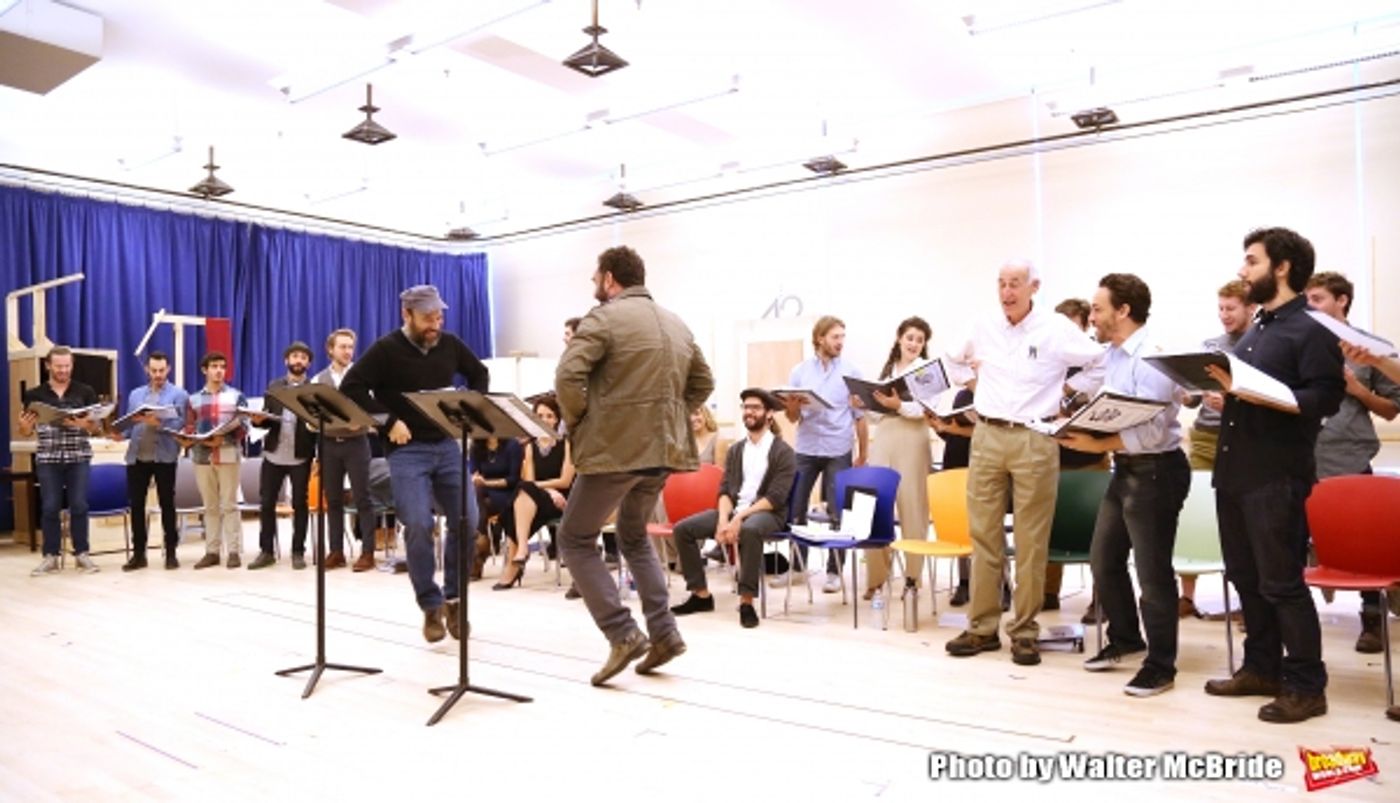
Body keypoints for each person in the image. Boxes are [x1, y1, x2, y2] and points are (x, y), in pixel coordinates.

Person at [554, 245, 715, 686]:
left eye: (595, 280)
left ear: (609, 279)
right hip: (661, 452)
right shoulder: (676, 323)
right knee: (633, 536)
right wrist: (669, 415)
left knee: (575, 537)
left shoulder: (602, 318)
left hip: (616, 450)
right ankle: (664, 633)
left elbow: (568, 378)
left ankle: (622, 633)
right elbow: (704, 382)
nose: (594, 288)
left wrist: (582, 421)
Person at [1203, 227, 1344, 724]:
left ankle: (1307, 686)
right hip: (1235, 471)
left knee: (1282, 583)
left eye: (1251, 261)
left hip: (1276, 476)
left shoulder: (1313, 328)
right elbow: (1250, 390)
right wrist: (1226, 394)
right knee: (1246, 579)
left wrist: (1265, 397)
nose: (1243, 271)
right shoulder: (1257, 328)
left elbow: (1324, 398)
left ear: (1281, 268)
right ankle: (1261, 668)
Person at [943, 259, 1103, 667]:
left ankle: (1025, 632)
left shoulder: (1055, 329)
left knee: (1032, 540)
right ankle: (982, 627)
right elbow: (950, 360)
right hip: (988, 434)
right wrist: (971, 382)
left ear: (1034, 286)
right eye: (1001, 283)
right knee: (983, 535)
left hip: (1035, 435)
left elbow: (1100, 362)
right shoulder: (982, 325)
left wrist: (1067, 389)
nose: (1007, 291)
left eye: (1015, 284)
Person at [1057, 273, 1190, 697]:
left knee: (1153, 574)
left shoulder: (1150, 357)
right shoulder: (1112, 355)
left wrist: (1094, 441)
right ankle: (1128, 640)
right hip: (1127, 468)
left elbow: (1150, 432)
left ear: (1123, 311)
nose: (1091, 316)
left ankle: (1161, 665)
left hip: (1156, 470)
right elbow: (1104, 403)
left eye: (1097, 309)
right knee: (1104, 559)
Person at [341, 285, 490, 643]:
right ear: (406, 315)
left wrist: (468, 406)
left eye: (439, 316)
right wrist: (388, 422)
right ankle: (430, 604)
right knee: (420, 525)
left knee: (467, 522)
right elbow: (352, 388)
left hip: (447, 445)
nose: (435, 324)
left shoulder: (450, 344)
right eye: (428, 318)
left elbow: (479, 374)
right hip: (407, 452)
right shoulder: (386, 350)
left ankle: (454, 598)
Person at [1303, 271, 1400, 653]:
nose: (1310, 306)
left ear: (1342, 301)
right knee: (1292, 541)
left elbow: (1393, 409)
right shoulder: (1300, 345)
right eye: (1307, 299)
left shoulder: (1375, 350)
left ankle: (1372, 620)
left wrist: (1358, 390)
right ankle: (1290, 622)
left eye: (1318, 299)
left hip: (1349, 456)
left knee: (1363, 546)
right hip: (1301, 457)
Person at [670, 388, 795, 628]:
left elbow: (775, 498)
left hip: (767, 513)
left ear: (769, 414)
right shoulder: (736, 450)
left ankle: (746, 601)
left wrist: (739, 519)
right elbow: (725, 490)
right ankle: (701, 595)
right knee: (683, 529)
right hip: (736, 511)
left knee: (749, 529)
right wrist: (723, 521)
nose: (749, 412)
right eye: (746, 407)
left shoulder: (783, 452)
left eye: (755, 408)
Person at [1178, 279, 1255, 618]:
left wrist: (1232, 403)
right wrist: (1187, 394)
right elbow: (1194, 396)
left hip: (1242, 441)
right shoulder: (1211, 346)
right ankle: (1187, 596)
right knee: (1192, 514)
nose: (1224, 315)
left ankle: (1247, 601)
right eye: (1220, 308)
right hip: (1206, 438)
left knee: (1240, 519)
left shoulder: (1260, 346)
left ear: (1251, 308)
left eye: (1231, 308)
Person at [777, 315, 869, 594]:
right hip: (806, 448)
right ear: (820, 339)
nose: (840, 342)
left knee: (837, 511)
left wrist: (863, 454)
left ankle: (834, 572)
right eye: (835, 337)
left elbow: (860, 417)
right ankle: (797, 568)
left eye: (843, 336)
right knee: (796, 509)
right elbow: (792, 418)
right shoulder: (800, 372)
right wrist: (792, 405)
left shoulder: (851, 372)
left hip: (838, 448)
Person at [864, 316, 933, 600]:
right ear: (899, 338)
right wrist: (864, 404)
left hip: (913, 440)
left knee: (913, 508)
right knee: (875, 508)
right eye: (910, 338)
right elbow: (875, 416)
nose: (914, 343)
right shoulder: (887, 371)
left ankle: (912, 579)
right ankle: (876, 578)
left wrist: (899, 405)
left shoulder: (926, 370)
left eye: (919, 339)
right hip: (884, 438)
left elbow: (926, 409)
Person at [21, 346, 103, 576]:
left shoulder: (85, 391)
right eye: (58, 366)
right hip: (48, 456)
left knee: (79, 504)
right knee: (49, 506)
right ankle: (51, 556)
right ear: (48, 365)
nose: (63, 370)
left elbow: (96, 427)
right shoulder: (35, 394)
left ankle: (82, 554)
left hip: (78, 455)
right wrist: (25, 428)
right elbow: (27, 429)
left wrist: (87, 425)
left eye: (67, 366)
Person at [111, 350, 188, 571]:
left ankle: (171, 553)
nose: (157, 374)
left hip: (164, 457)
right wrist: (120, 435)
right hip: (137, 457)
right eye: (153, 370)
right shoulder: (136, 395)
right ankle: (138, 555)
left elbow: (180, 426)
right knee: (136, 505)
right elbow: (130, 424)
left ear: (168, 369)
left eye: (162, 370)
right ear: (147, 370)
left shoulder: (178, 394)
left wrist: (159, 424)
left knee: (167, 504)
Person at [312, 328, 381, 572]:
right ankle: (336, 551)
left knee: (363, 498)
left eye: (350, 347)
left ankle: (368, 552)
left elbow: (374, 409)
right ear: (330, 350)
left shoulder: (363, 377)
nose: (347, 351)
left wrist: (362, 420)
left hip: (357, 443)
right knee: (332, 500)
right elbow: (312, 415)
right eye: (342, 347)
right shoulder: (319, 380)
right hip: (329, 444)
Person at [245, 342, 317, 570]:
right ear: (286, 360)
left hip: (301, 455)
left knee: (300, 504)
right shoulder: (274, 386)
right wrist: (259, 420)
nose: (299, 361)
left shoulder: (313, 390)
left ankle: (298, 551)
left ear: (308, 364)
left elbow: (318, 424)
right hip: (274, 453)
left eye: (303, 358)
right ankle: (266, 551)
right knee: (266, 503)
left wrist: (318, 455)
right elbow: (267, 419)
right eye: (295, 356)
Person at [497, 396, 574, 590]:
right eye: (540, 416)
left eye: (549, 416)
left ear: (557, 419)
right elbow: (530, 482)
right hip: (539, 499)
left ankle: (514, 563)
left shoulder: (567, 444)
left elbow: (565, 481)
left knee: (516, 501)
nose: (545, 420)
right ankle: (522, 549)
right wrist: (548, 490)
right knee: (524, 490)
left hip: (562, 500)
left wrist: (550, 491)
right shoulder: (530, 447)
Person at [183, 351, 249, 570]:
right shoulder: (193, 399)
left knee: (230, 505)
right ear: (205, 370)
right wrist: (190, 439)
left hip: (229, 454)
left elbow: (245, 426)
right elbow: (190, 427)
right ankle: (212, 551)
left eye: (222, 366)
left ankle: (233, 551)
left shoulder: (236, 396)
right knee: (210, 506)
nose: (219, 370)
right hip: (202, 456)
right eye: (214, 366)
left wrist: (224, 437)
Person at [470, 435, 522, 579]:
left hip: (506, 493)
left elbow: (514, 479)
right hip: (484, 494)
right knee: (477, 496)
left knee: (477, 501)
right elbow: (473, 472)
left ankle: (480, 545)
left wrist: (487, 483)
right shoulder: (476, 447)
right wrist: (475, 479)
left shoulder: (512, 445)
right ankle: (480, 542)